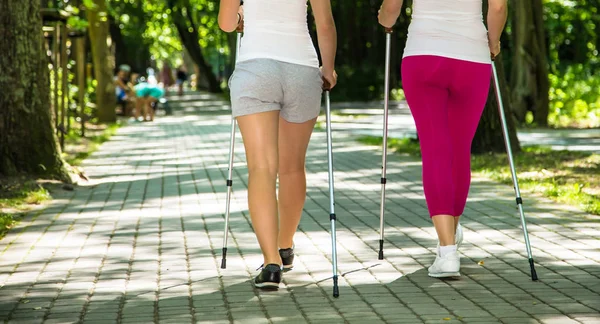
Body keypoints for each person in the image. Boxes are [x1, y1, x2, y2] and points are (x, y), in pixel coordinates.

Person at [378, 0, 507, 278]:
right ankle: (448, 237)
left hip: (423, 56)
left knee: (435, 150)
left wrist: (385, 19)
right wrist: (494, 42)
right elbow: (497, 8)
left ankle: (448, 251)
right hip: (471, 57)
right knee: (459, 151)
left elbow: (391, 7)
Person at [218, 0, 337, 289]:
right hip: (302, 69)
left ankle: (271, 263)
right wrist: (329, 69)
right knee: (293, 167)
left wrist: (239, 17)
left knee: (262, 168)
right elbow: (325, 24)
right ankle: (285, 246)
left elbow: (225, 22)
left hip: (255, 69)